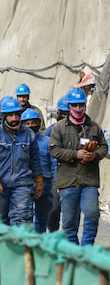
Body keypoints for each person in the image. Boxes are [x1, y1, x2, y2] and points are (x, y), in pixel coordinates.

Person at [49, 87, 108, 245]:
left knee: (92, 214)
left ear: (85, 105)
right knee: (69, 223)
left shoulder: (94, 127)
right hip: (67, 182)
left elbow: (104, 147)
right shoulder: (59, 128)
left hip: (89, 180)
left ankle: (86, 249)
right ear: (69, 106)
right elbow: (54, 150)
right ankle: (74, 253)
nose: (78, 108)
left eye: (81, 105)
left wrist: (94, 155)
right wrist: (75, 154)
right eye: (74, 105)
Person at [0, 96, 42, 225]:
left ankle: (19, 245)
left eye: (17, 114)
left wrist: (39, 181)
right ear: (3, 117)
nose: (14, 119)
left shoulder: (29, 135)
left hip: (22, 185)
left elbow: (35, 160)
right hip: (0, 186)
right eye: (10, 115)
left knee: (21, 220)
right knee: (0, 223)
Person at [21, 108, 54, 233]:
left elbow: (54, 163)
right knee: (26, 215)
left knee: (42, 216)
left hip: (45, 182)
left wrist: (55, 183)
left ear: (39, 123)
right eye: (27, 123)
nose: (31, 126)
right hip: (26, 182)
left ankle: (39, 240)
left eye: (34, 123)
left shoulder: (47, 142)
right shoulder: (20, 142)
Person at [44, 95, 70, 232]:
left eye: (68, 114)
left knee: (71, 214)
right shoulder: (50, 131)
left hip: (72, 176)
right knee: (53, 209)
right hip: (55, 176)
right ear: (58, 113)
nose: (65, 117)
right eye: (63, 114)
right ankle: (53, 231)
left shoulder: (79, 131)